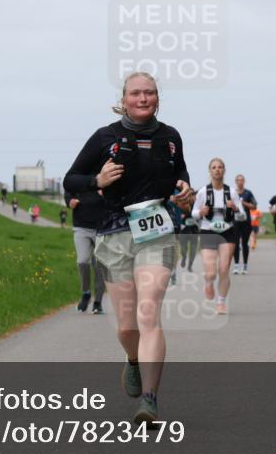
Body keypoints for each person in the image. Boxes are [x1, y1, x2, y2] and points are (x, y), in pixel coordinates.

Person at [63, 71, 192, 425]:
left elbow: (181, 175)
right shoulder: (105, 137)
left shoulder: (170, 137)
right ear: (123, 99)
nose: (143, 98)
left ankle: (149, 400)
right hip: (114, 233)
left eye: (149, 92)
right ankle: (133, 359)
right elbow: (71, 179)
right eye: (136, 93)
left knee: (148, 312)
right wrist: (97, 180)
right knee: (126, 324)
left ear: (157, 99)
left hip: (156, 231)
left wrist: (185, 191)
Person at [192, 158, 244, 315]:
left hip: (228, 232)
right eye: (214, 167)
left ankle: (221, 302)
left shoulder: (231, 192)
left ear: (224, 170)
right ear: (210, 171)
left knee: (223, 269)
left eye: (220, 167)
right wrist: (200, 212)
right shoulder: (203, 192)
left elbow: (242, 216)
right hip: (208, 231)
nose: (217, 170)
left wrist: (235, 209)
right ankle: (208, 282)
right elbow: (194, 213)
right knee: (211, 273)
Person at [65, 189, 107, 313]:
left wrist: (106, 194)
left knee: (100, 265)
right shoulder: (76, 179)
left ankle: (98, 302)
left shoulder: (103, 178)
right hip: (81, 227)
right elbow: (68, 193)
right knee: (82, 261)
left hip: (102, 227)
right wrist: (69, 201)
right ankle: (86, 293)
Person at [231, 174, 257, 275]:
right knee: (235, 244)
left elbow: (254, 206)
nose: (240, 182)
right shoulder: (232, 193)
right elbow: (227, 205)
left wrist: (244, 203)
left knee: (245, 244)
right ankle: (236, 265)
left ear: (244, 182)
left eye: (242, 180)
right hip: (235, 222)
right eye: (238, 180)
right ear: (236, 182)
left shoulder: (248, 193)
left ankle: (245, 266)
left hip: (246, 222)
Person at [178, 191, 199, 272]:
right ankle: (184, 257)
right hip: (184, 230)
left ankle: (190, 265)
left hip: (194, 230)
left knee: (193, 250)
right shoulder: (182, 205)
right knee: (183, 248)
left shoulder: (198, 206)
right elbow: (178, 216)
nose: (193, 197)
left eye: (193, 196)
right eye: (190, 195)